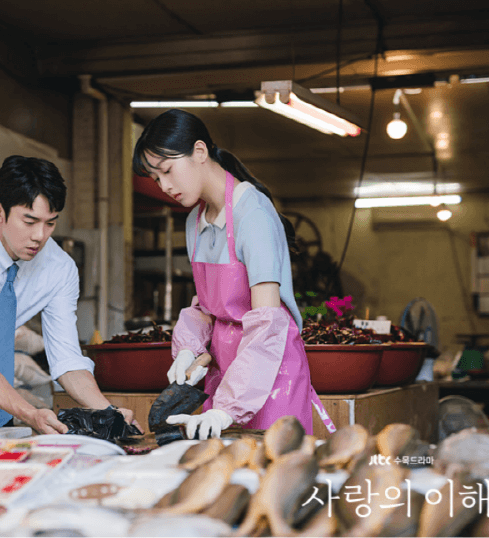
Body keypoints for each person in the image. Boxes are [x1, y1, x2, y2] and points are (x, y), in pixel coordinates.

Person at [132, 109, 336, 440]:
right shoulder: (194, 222)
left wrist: (229, 406)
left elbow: (268, 322)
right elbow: (206, 308)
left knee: (273, 476)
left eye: (167, 171)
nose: (165, 186)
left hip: (269, 375)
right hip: (226, 374)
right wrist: (188, 347)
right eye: (156, 179)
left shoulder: (251, 213)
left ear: (199, 152)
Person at [0, 155, 136, 434]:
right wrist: (29, 412)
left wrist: (109, 413)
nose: (40, 236)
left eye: (50, 223)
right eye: (30, 221)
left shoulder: (59, 269)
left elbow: (66, 358)